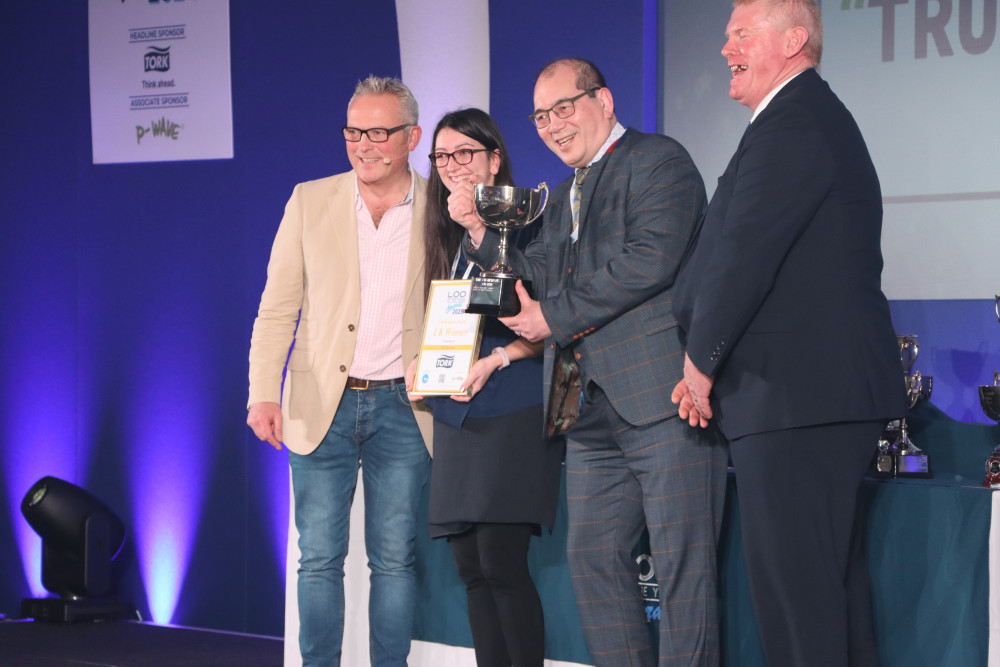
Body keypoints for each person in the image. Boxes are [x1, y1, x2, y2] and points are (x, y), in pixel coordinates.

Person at [460, 59, 728, 667]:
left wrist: (551, 318)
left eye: (564, 108)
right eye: (540, 116)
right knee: (592, 562)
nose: (552, 126)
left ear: (603, 100)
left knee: (684, 569)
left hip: (662, 398)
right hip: (585, 408)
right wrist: (480, 235)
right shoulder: (559, 197)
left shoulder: (660, 161)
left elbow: (649, 262)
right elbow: (540, 278)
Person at [670, 1, 907, 665]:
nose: (725, 48)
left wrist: (700, 361)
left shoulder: (796, 119)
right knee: (824, 599)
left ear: (794, 40)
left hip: (798, 400)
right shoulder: (790, 119)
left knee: (799, 608)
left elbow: (745, 254)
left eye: (742, 33)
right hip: (800, 400)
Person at [246, 75, 433, 667]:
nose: (364, 144)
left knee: (395, 560)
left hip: (406, 408)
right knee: (319, 558)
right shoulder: (310, 199)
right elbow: (277, 307)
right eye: (354, 131)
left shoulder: (441, 208)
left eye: (379, 131)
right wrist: (261, 393)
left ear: (412, 137)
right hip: (318, 403)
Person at [407, 107, 564, 667]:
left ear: (495, 158)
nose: (453, 166)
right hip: (459, 412)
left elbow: (535, 311)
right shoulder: (442, 228)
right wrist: (426, 364)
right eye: (443, 155)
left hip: (513, 407)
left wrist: (479, 225)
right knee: (472, 568)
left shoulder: (534, 217)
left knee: (502, 563)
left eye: (466, 153)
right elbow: (452, 313)